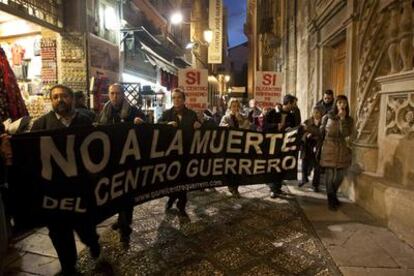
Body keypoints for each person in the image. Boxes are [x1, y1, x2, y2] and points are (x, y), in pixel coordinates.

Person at [30, 85, 101, 275]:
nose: (59, 100)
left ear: (72, 98)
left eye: (63, 96)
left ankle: (92, 242)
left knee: (85, 227)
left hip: (81, 189)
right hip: (55, 193)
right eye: (55, 97)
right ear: (51, 100)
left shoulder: (85, 121)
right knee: (59, 232)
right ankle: (69, 266)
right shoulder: (41, 125)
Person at [97, 83, 146, 245]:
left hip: (128, 162)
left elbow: (147, 132)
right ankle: (121, 219)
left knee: (126, 195)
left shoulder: (133, 112)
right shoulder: (104, 112)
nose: (115, 96)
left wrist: (141, 124)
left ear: (123, 94)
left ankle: (125, 227)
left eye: (118, 93)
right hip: (111, 162)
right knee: (115, 193)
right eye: (112, 93)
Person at [159, 88, 200, 216]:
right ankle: (171, 197)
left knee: (183, 179)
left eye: (179, 98)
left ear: (184, 100)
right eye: (174, 98)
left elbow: (205, 128)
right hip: (171, 154)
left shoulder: (192, 114)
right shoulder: (166, 114)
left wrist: (199, 125)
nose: (176, 100)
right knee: (171, 179)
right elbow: (157, 126)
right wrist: (167, 124)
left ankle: (181, 204)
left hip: (186, 153)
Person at [319, 95, 353, 211]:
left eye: (344, 103)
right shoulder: (328, 117)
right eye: (339, 103)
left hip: (342, 149)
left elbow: (346, 134)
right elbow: (329, 132)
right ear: (336, 104)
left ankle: (332, 196)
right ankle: (331, 200)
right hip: (329, 147)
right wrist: (337, 118)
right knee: (329, 175)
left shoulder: (349, 119)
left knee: (340, 175)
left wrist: (343, 120)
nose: (342, 105)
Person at [264, 95, 297, 198]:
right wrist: (276, 126)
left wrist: (291, 129)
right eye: (294, 103)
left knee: (282, 166)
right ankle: (273, 189)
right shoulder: (272, 112)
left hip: (285, 146)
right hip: (272, 144)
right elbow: (264, 126)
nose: (295, 106)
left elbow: (295, 126)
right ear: (288, 103)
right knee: (274, 166)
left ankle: (277, 188)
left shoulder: (292, 115)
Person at [219, 98, 250, 197]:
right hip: (229, 147)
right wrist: (225, 126)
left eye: (237, 106)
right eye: (233, 106)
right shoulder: (226, 117)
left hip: (240, 146)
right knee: (229, 167)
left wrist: (240, 120)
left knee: (238, 168)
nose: (235, 108)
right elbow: (220, 127)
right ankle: (230, 185)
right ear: (230, 107)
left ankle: (235, 188)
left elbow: (247, 128)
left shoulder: (244, 117)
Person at [299, 106, 323, 192]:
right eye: (315, 112)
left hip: (318, 146)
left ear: (321, 114)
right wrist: (307, 135)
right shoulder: (307, 121)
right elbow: (302, 133)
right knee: (304, 163)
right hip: (308, 145)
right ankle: (304, 179)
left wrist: (310, 131)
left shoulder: (323, 123)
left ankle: (315, 185)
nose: (316, 114)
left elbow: (322, 133)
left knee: (317, 166)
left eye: (318, 113)